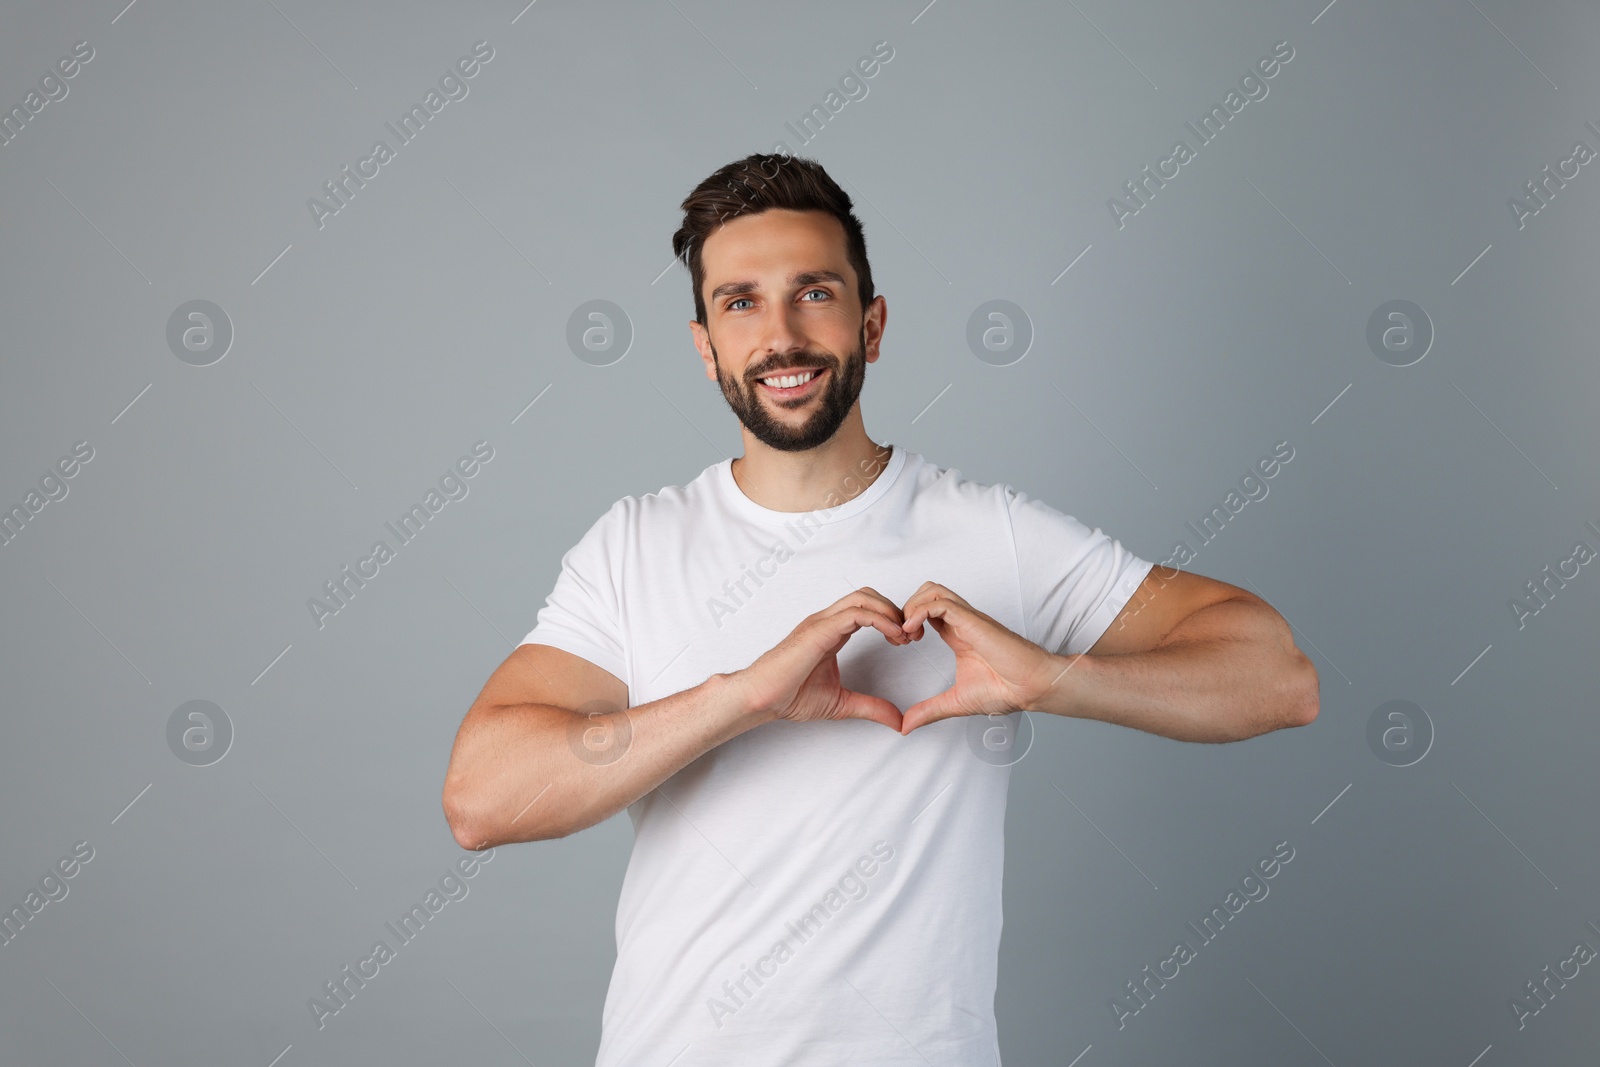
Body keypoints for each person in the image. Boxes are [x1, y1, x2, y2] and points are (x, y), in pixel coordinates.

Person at [441, 152, 1319, 1064]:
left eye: (814, 293)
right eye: (740, 302)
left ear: (872, 323)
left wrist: (1055, 679)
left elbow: (1279, 678)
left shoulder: (992, 534)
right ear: (706, 346)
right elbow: (481, 796)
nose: (781, 334)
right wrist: (741, 697)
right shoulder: (634, 546)